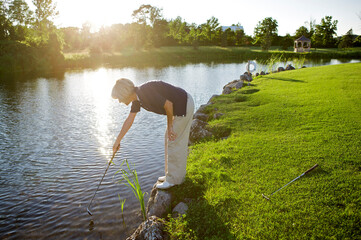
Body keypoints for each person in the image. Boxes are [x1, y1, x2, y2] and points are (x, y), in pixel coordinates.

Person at [111, 78, 194, 189]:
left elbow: (168, 105)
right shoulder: (137, 99)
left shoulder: (145, 92)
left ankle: (174, 180)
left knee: (173, 140)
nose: (119, 101)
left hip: (184, 105)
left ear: (124, 93)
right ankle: (170, 175)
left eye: (119, 98)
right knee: (168, 139)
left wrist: (170, 126)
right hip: (180, 105)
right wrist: (117, 141)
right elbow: (129, 120)